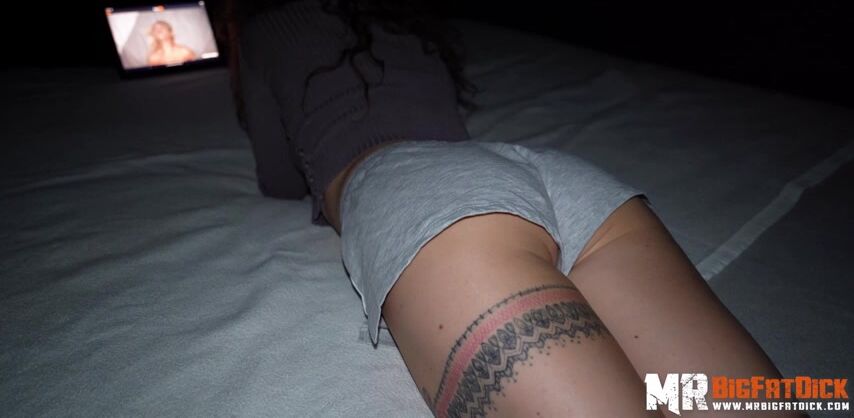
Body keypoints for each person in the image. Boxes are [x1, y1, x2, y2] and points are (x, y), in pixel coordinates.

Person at [216, 0, 804, 416]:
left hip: (429, 198)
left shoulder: (269, 27)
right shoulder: (404, 18)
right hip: (549, 175)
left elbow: (279, 178)